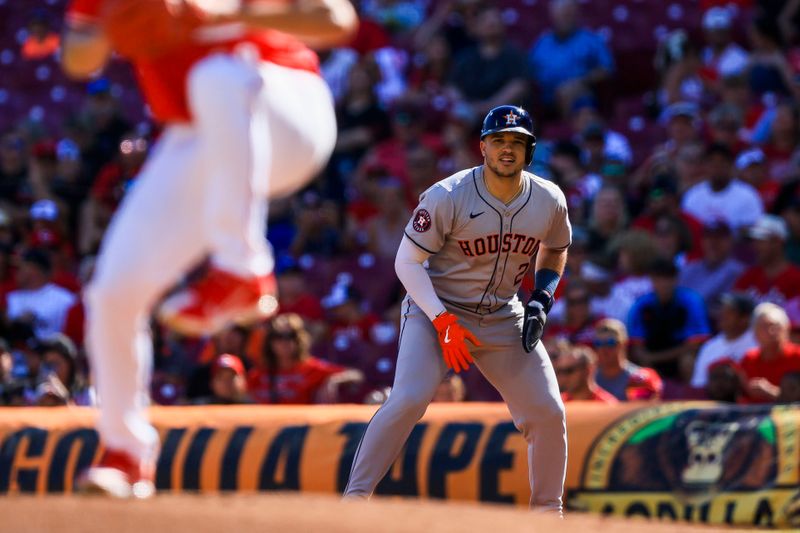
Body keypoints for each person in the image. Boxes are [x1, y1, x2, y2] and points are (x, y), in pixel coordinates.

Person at [62, 0, 358, 498]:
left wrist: (224, 14)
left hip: (285, 108)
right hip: (203, 135)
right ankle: (126, 453)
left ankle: (242, 270)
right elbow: (77, 57)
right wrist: (110, 29)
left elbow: (335, 20)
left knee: (216, 74)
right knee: (114, 292)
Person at [344, 105, 572, 514]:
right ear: (482, 147)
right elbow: (406, 262)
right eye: (499, 141)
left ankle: (548, 515)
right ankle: (354, 501)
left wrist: (542, 295)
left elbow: (556, 247)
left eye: (516, 142)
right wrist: (442, 319)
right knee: (409, 398)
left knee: (547, 410)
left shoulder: (548, 199)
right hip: (437, 308)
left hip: (503, 314)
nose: (507, 149)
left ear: (529, 150)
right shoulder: (447, 195)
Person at [627, 258, 711, 384]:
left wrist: (655, 358)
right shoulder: (642, 305)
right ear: (652, 280)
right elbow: (637, 347)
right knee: (641, 365)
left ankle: (690, 397)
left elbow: (694, 346)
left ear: (676, 279)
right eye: (658, 278)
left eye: (668, 278)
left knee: (687, 361)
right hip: (651, 358)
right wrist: (648, 359)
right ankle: (648, 397)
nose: (664, 283)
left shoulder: (691, 301)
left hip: (678, 358)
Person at [248, 313, 364, 404]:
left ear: (299, 340)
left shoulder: (311, 368)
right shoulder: (258, 374)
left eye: (290, 336)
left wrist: (334, 380)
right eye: (277, 337)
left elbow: (356, 375)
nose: (284, 342)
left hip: (298, 431)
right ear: (269, 342)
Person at [690, 292, 757, 389]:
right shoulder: (709, 347)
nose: (722, 315)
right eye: (722, 310)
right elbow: (699, 385)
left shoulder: (758, 342)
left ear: (745, 318)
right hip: (714, 402)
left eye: (730, 312)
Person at [740, 303, 800, 403]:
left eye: (776, 326)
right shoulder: (749, 359)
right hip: (754, 417)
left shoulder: (797, 356)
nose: (771, 332)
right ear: (754, 332)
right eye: (764, 327)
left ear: (787, 329)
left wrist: (771, 392)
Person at [592, 318, 662, 402]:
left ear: (624, 344)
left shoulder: (639, 378)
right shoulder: (589, 378)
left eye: (611, 343)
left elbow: (642, 412)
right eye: (599, 343)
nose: (604, 348)